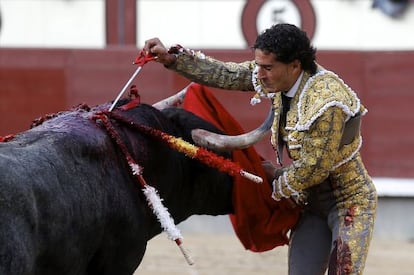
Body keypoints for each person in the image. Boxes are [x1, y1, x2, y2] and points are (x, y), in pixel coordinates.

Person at [143, 23, 377, 275]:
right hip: (310, 205)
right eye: (258, 66)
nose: (260, 74)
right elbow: (228, 74)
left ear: (295, 65)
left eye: (267, 68)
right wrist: (172, 59)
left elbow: (314, 169)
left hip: (348, 203)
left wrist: (272, 182)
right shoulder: (279, 77)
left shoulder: (326, 102)